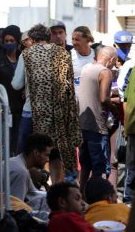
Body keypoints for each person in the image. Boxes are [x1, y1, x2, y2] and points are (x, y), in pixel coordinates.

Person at [12, 24, 80, 183]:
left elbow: (16, 84)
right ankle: (57, 188)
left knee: (25, 154)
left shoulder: (27, 54)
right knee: (55, 154)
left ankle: (28, 188)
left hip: (32, 112)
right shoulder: (63, 53)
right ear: (49, 37)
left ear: (33, 40)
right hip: (58, 114)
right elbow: (68, 86)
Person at [78, 46, 118, 192]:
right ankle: (96, 198)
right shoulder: (105, 72)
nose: (114, 65)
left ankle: (82, 194)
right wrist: (115, 108)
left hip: (83, 125)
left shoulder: (87, 67)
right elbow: (103, 99)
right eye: (114, 62)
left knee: (85, 165)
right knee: (98, 167)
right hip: (98, 127)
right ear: (111, 59)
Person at [0, 133, 53, 204]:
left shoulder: (18, 163)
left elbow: (34, 193)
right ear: (36, 152)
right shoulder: (20, 172)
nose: (48, 160)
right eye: (46, 155)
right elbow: (16, 209)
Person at [0, 25, 24, 155]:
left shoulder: (23, 58)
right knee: (6, 142)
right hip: (3, 108)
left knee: (19, 141)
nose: (9, 43)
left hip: (21, 107)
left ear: (17, 41)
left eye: (12, 41)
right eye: (6, 41)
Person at [123, 66, 135, 204]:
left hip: (132, 125)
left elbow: (125, 99)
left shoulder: (132, 70)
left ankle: (128, 199)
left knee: (131, 165)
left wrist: (127, 125)